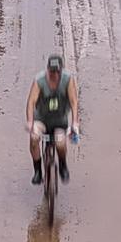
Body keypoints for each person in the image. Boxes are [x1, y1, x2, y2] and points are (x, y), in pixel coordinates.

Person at [26, 53, 80, 185]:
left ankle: (63, 165)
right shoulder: (39, 81)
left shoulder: (68, 80)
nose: (53, 75)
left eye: (56, 72)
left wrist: (74, 123)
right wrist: (30, 122)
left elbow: (74, 103)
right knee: (34, 138)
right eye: (51, 71)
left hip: (59, 120)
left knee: (60, 143)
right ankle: (38, 171)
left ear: (61, 70)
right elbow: (31, 102)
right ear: (47, 69)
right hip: (42, 119)